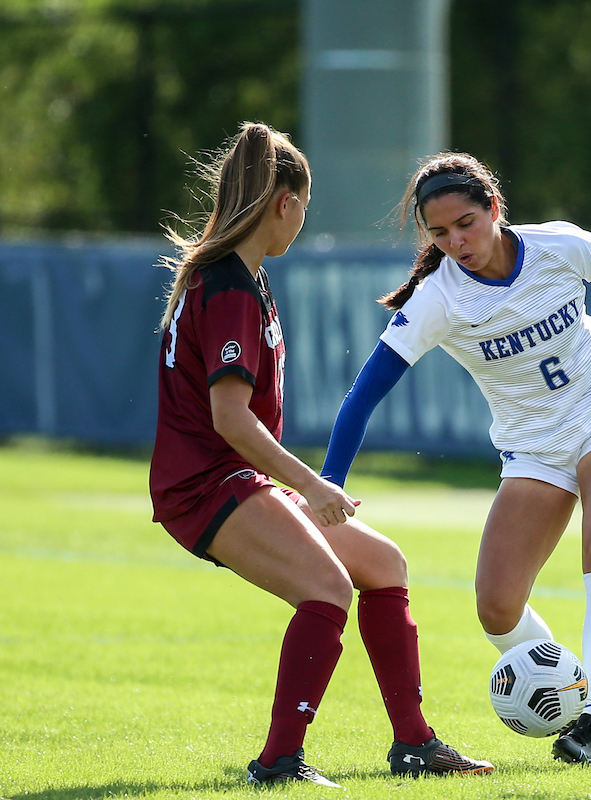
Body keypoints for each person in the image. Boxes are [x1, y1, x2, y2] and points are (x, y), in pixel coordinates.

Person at [320, 151, 591, 766]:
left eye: (466, 223)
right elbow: (364, 394)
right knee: (496, 608)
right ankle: (568, 692)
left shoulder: (559, 246)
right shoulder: (440, 297)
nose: (456, 242)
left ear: (495, 208)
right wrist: (328, 485)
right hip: (535, 449)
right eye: (439, 233)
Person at [149, 123, 494, 787]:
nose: (302, 222)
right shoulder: (228, 285)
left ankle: (415, 744)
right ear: (284, 202)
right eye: (303, 208)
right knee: (328, 589)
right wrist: (312, 485)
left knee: (383, 565)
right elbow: (229, 418)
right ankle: (278, 762)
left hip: (230, 479)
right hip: (206, 488)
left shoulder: (239, 276)